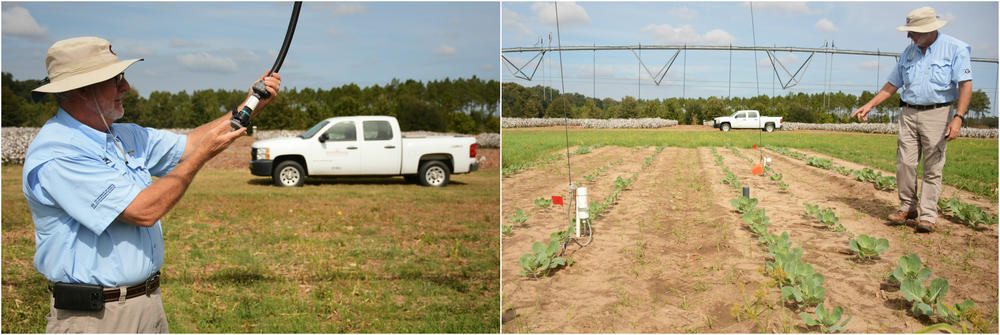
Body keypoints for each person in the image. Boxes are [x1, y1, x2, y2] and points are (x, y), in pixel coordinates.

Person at [22, 36, 281, 332]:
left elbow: (190, 144)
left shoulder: (123, 135)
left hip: (146, 305)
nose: (126, 87)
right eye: (116, 79)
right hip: (96, 320)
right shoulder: (59, 153)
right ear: (82, 88)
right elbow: (143, 211)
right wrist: (199, 159)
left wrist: (252, 103)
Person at [851, 7, 972, 233]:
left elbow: (966, 84)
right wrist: (869, 104)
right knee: (905, 163)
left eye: (914, 32)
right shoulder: (909, 52)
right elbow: (892, 85)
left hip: (938, 113)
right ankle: (908, 207)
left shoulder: (955, 49)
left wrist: (958, 118)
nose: (909, 36)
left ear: (930, 30)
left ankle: (928, 215)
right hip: (908, 113)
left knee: (933, 166)